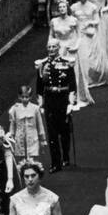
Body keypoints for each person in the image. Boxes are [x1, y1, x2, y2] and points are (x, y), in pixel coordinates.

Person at [36, 41, 76, 170]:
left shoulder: (66, 63)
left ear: (59, 48)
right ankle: (55, 162)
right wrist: (41, 104)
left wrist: (71, 103)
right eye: (49, 47)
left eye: (54, 47)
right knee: (52, 132)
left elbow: (72, 85)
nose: (51, 49)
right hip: (50, 100)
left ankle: (65, 156)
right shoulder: (42, 65)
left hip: (63, 99)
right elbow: (39, 87)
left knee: (64, 131)